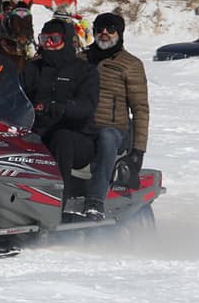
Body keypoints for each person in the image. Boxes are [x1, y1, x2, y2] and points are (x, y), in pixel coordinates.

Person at [20, 17, 98, 215]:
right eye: (44, 39)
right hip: (38, 130)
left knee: (61, 139)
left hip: (78, 136)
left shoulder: (84, 70)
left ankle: (55, 207)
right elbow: (15, 92)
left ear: (66, 40)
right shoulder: (31, 69)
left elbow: (87, 104)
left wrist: (63, 107)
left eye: (53, 39)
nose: (47, 44)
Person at [85, 12, 149, 219]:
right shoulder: (81, 58)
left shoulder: (131, 64)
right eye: (100, 29)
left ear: (119, 34)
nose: (104, 33)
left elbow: (140, 108)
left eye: (110, 29)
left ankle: (95, 201)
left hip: (114, 128)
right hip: (83, 125)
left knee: (106, 138)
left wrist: (138, 150)